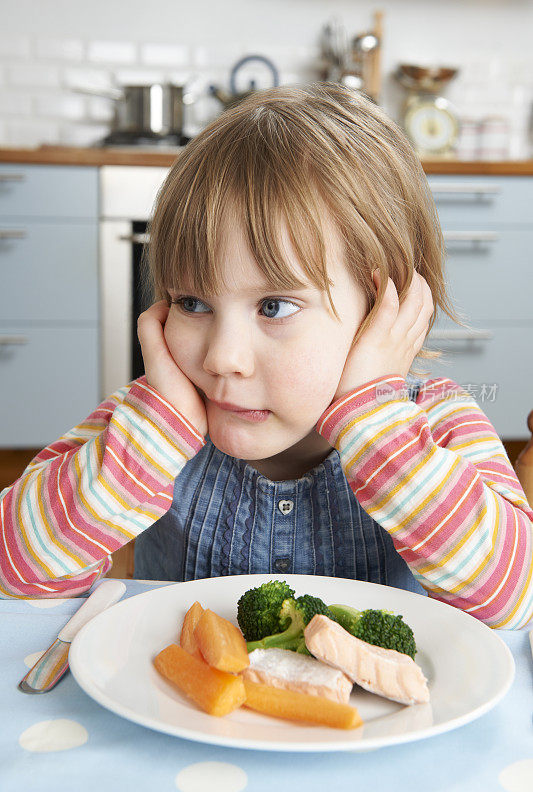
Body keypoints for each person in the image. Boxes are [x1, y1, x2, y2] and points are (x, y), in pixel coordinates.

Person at [1, 83, 532, 631]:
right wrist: (150, 439)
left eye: (274, 305)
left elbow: (515, 601)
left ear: (382, 309)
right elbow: (15, 574)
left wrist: (376, 426)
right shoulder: (147, 425)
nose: (222, 358)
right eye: (193, 303)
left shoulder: (437, 422)